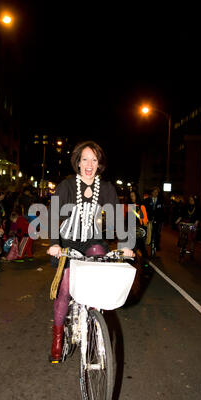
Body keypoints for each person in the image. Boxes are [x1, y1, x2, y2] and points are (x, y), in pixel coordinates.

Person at [47, 140, 135, 363]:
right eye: (84, 159)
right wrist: (55, 243)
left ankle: (93, 320)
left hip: (92, 241)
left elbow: (117, 219)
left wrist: (125, 247)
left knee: (98, 260)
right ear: (77, 162)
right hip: (67, 242)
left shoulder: (106, 189)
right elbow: (52, 216)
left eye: (94, 160)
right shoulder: (66, 186)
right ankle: (57, 338)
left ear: (99, 164)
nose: (89, 164)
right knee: (65, 288)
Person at [128, 190, 149, 260]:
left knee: (140, 245)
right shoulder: (130, 206)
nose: (131, 197)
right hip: (131, 228)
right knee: (134, 245)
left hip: (139, 229)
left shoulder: (141, 206)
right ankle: (135, 259)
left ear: (136, 196)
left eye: (133, 196)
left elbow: (145, 220)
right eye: (131, 196)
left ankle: (145, 260)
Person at [144, 186, 164, 251]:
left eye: (157, 192)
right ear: (152, 193)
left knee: (157, 233)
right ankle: (148, 243)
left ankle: (156, 245)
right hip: (148, 220)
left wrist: (161, 220)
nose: (155, 193)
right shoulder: (147, 200)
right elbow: (144, 210)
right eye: (154, 192)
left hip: (157, 220)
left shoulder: (160, 201)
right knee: (148, 232)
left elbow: (162, 211)